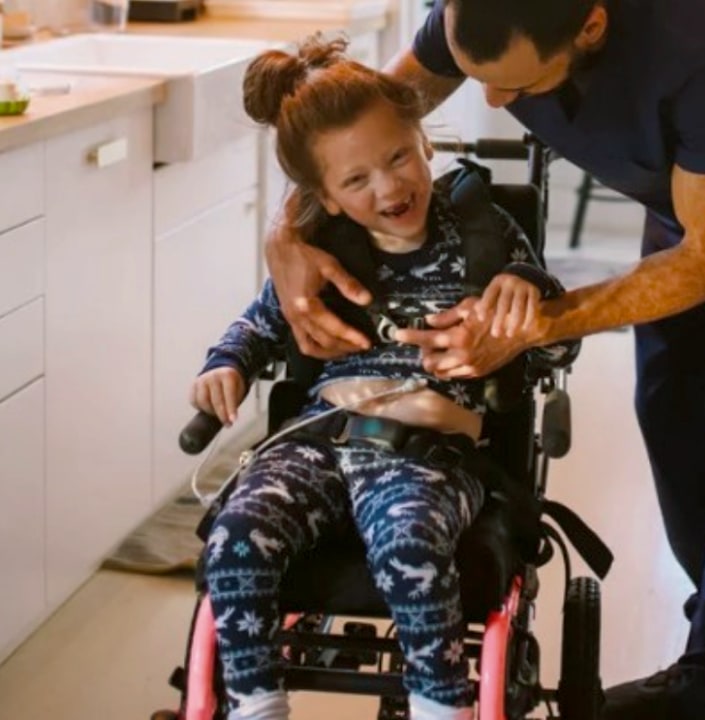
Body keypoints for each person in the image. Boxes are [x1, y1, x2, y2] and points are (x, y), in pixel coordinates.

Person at [263, 1, 705, 719]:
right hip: (690, 187)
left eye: (518, 88)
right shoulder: (482, 14)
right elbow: (347, 129)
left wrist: (531, 321)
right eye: (477, 78)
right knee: (668, 403)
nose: (492, 100)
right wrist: (291, 230)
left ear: (591, 26)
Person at [191, 34, 577, 720]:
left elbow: (544, 314)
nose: (390, 187)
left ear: (424, 142)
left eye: (399, 157)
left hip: (425, 453)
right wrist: (225, 364)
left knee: (408, 545)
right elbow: (257, 324)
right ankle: (254, 704)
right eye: (357, 180)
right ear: (327, 199)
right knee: (236, 534)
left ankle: (438, 705)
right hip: (318, 439)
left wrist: (521, 303)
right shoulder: (322, 253)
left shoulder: (483, 233)